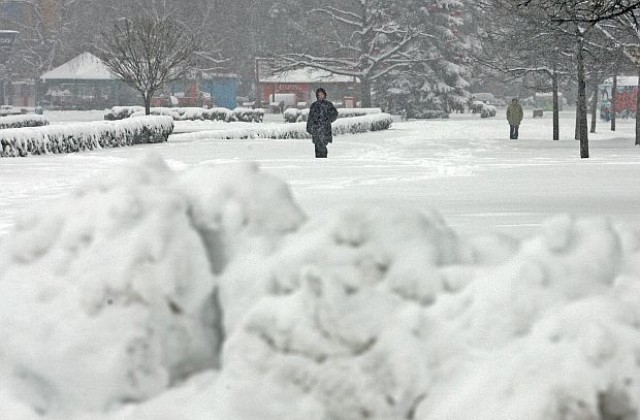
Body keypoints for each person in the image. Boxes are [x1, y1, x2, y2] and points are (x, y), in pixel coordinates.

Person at [306, 87, 338, 158]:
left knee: (323, 145)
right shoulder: (314, 105)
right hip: (316, 129)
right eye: (319, 95)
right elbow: (310, 117)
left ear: (324, 95)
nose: (320, 96)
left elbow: (334, 114)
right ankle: (319, 161)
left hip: (325, 129)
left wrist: (328, 120)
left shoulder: (328, 104)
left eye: (322, 94)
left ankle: (323, 160)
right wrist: (310, 127)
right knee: (317, 146)